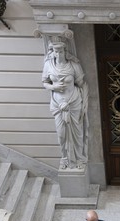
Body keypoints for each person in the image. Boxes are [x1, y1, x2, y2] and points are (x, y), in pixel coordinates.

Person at [42, 41, 89, 170]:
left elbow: (81, 84)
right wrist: (54, 86)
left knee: (77, 132)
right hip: (58, 105)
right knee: (61, 134)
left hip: (74, 103)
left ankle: (79, 158)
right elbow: (45, 82)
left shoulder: (74, 65)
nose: (58, 54)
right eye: (56, 51)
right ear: (53, 52)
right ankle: (65, 158)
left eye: (61, 51)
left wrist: (84, 102)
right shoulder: (48, 65)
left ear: (65, 51)